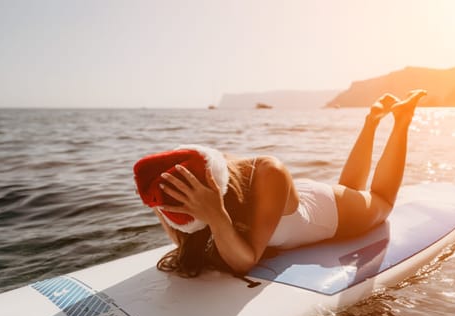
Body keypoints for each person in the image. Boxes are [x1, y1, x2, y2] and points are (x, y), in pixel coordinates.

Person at [133, 90, 427, 277]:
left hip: (335, 215)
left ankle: (401, 120)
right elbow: (185, 236)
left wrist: (217, 218)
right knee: (350, 187)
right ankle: (372, 122)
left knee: (380, 198)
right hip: (292, 205)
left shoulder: (267, 171)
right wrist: (158, 205)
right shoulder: (192, 182)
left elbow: (244, 262)